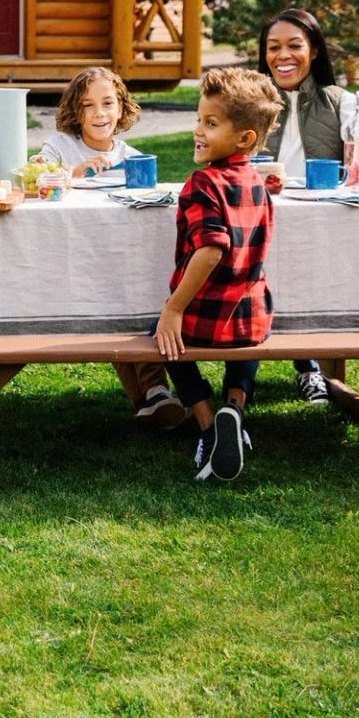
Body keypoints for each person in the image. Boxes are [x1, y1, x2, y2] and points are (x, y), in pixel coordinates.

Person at [257, 7, 359, 404]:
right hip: (261, 211)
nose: (283, 56)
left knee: (308, 280)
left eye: (294, 46)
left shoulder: (342, 101)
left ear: (314, 50)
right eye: (273, 47)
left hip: (320, 218)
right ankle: (248, 376)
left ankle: (309, 368)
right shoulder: (253, 100)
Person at [33, 69, 186, 429]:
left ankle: (153, 398)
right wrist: (73, 173)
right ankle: (153, 394)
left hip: (119, 254)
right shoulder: (60, 147)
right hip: (73, 255)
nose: (99, 113)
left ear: (121, 108)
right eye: (88, 106)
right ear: (75, 111)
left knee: (135, 299)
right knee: (115, 304)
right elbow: (34, 179)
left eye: (107, 103)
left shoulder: (131, 156)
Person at [154, 67, 285, 482]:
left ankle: (209, 424)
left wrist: (174, 309)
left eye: (210, 123)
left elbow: (210, 250)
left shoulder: (201, 183)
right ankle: (236, 407)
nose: (198, 130)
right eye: (198, 119)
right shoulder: (257, 183)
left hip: (203, 319)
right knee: (251, 339)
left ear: (245, 138)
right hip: (251, 320)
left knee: (162, 337)